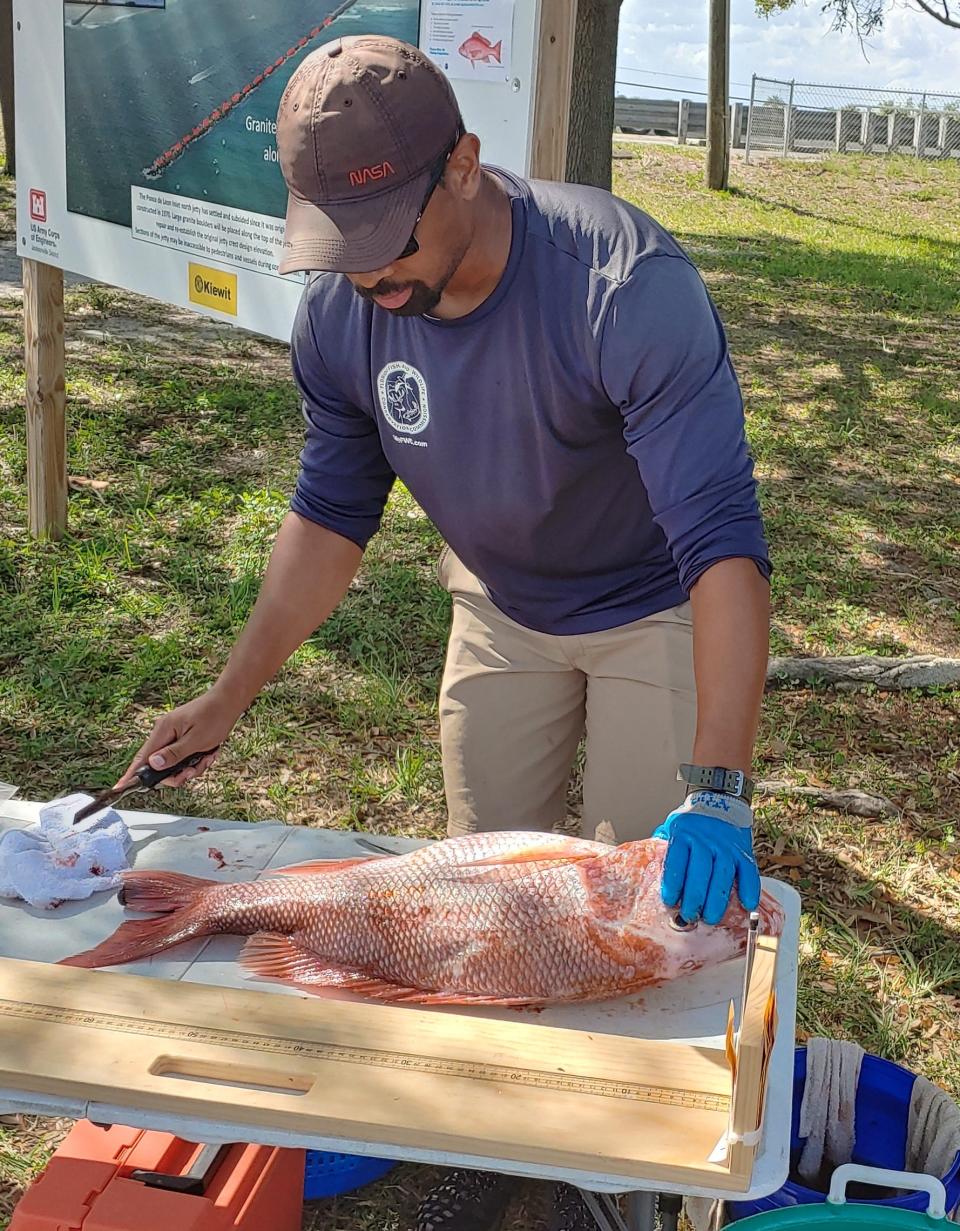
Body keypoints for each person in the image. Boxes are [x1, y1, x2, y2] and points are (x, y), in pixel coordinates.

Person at [115, 34, 772, 1231]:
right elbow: (328, 517)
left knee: (643, 928)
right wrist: (229, 696)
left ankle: (618, 1186)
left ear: (464, 164)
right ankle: (505, 1142)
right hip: (500, 601)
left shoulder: (622, 286)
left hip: (653, 604)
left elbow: (724, 540)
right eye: (341, 255)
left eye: (388, 246)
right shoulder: (344, 316)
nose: (371, 282)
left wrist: (719, 783)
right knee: (493, 916)